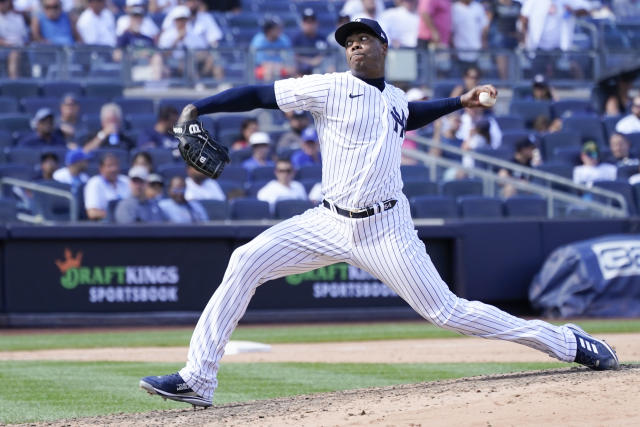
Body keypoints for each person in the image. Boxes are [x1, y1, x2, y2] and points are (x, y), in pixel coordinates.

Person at [139, 17, 619, 409]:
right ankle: (198, 378)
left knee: (447, 312)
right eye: (348, 42)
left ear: (383, 46)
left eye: (363, 38)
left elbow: (408, 114)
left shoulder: (394, 97)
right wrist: (199, 106)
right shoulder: (328, 87)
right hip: (327, 221)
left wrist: (459, 101)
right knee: (244, 261)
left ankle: (566, 343)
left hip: (386, 227)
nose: (354, 47)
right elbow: (260, 95)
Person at [83, 153, 130, 220]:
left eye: (115, 165)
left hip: (128, 223)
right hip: (104, 226)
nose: (114, 169)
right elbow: (92, 213)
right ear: (101, 168)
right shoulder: (94, 183)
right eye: (109, 166)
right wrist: (117, 215)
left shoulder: (126, 181)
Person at [486, 0, 522, 80]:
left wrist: (521, 35)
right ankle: (504, 84)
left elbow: (522, 20)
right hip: (499, 39)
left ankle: (513, 86)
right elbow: (488, 23)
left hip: (514, 38)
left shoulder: (517, 4)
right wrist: (485, 40)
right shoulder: (495, 4)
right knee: (503, 66)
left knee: (514, 66)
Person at [451, 0, 488, 72]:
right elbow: (451, 30)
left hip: (477, 50)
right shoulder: (454, 8)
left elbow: (484, 26)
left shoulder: (478, 7)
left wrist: (484, 42)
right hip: (459, 50)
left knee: (476, 77)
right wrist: (453, 48)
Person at [292, 8, 329, 76]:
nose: (310, 25)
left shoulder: (322, 38)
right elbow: (293, 56)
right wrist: (310, 61)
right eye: (307, 22)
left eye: (312, 22)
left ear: (317, 23)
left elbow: (328, 54)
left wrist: (318, 59)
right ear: (302, 23)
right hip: (301, 72)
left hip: (319, 71)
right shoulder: (297, 38)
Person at [0, 0, 28, 79]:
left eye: (3, 1)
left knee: (15, 53)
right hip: (3, 49)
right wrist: (5, 43)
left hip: (19, 48)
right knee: (14, 54)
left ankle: (14, 85)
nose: (1, 4)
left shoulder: (18, 18)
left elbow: (24, 37)